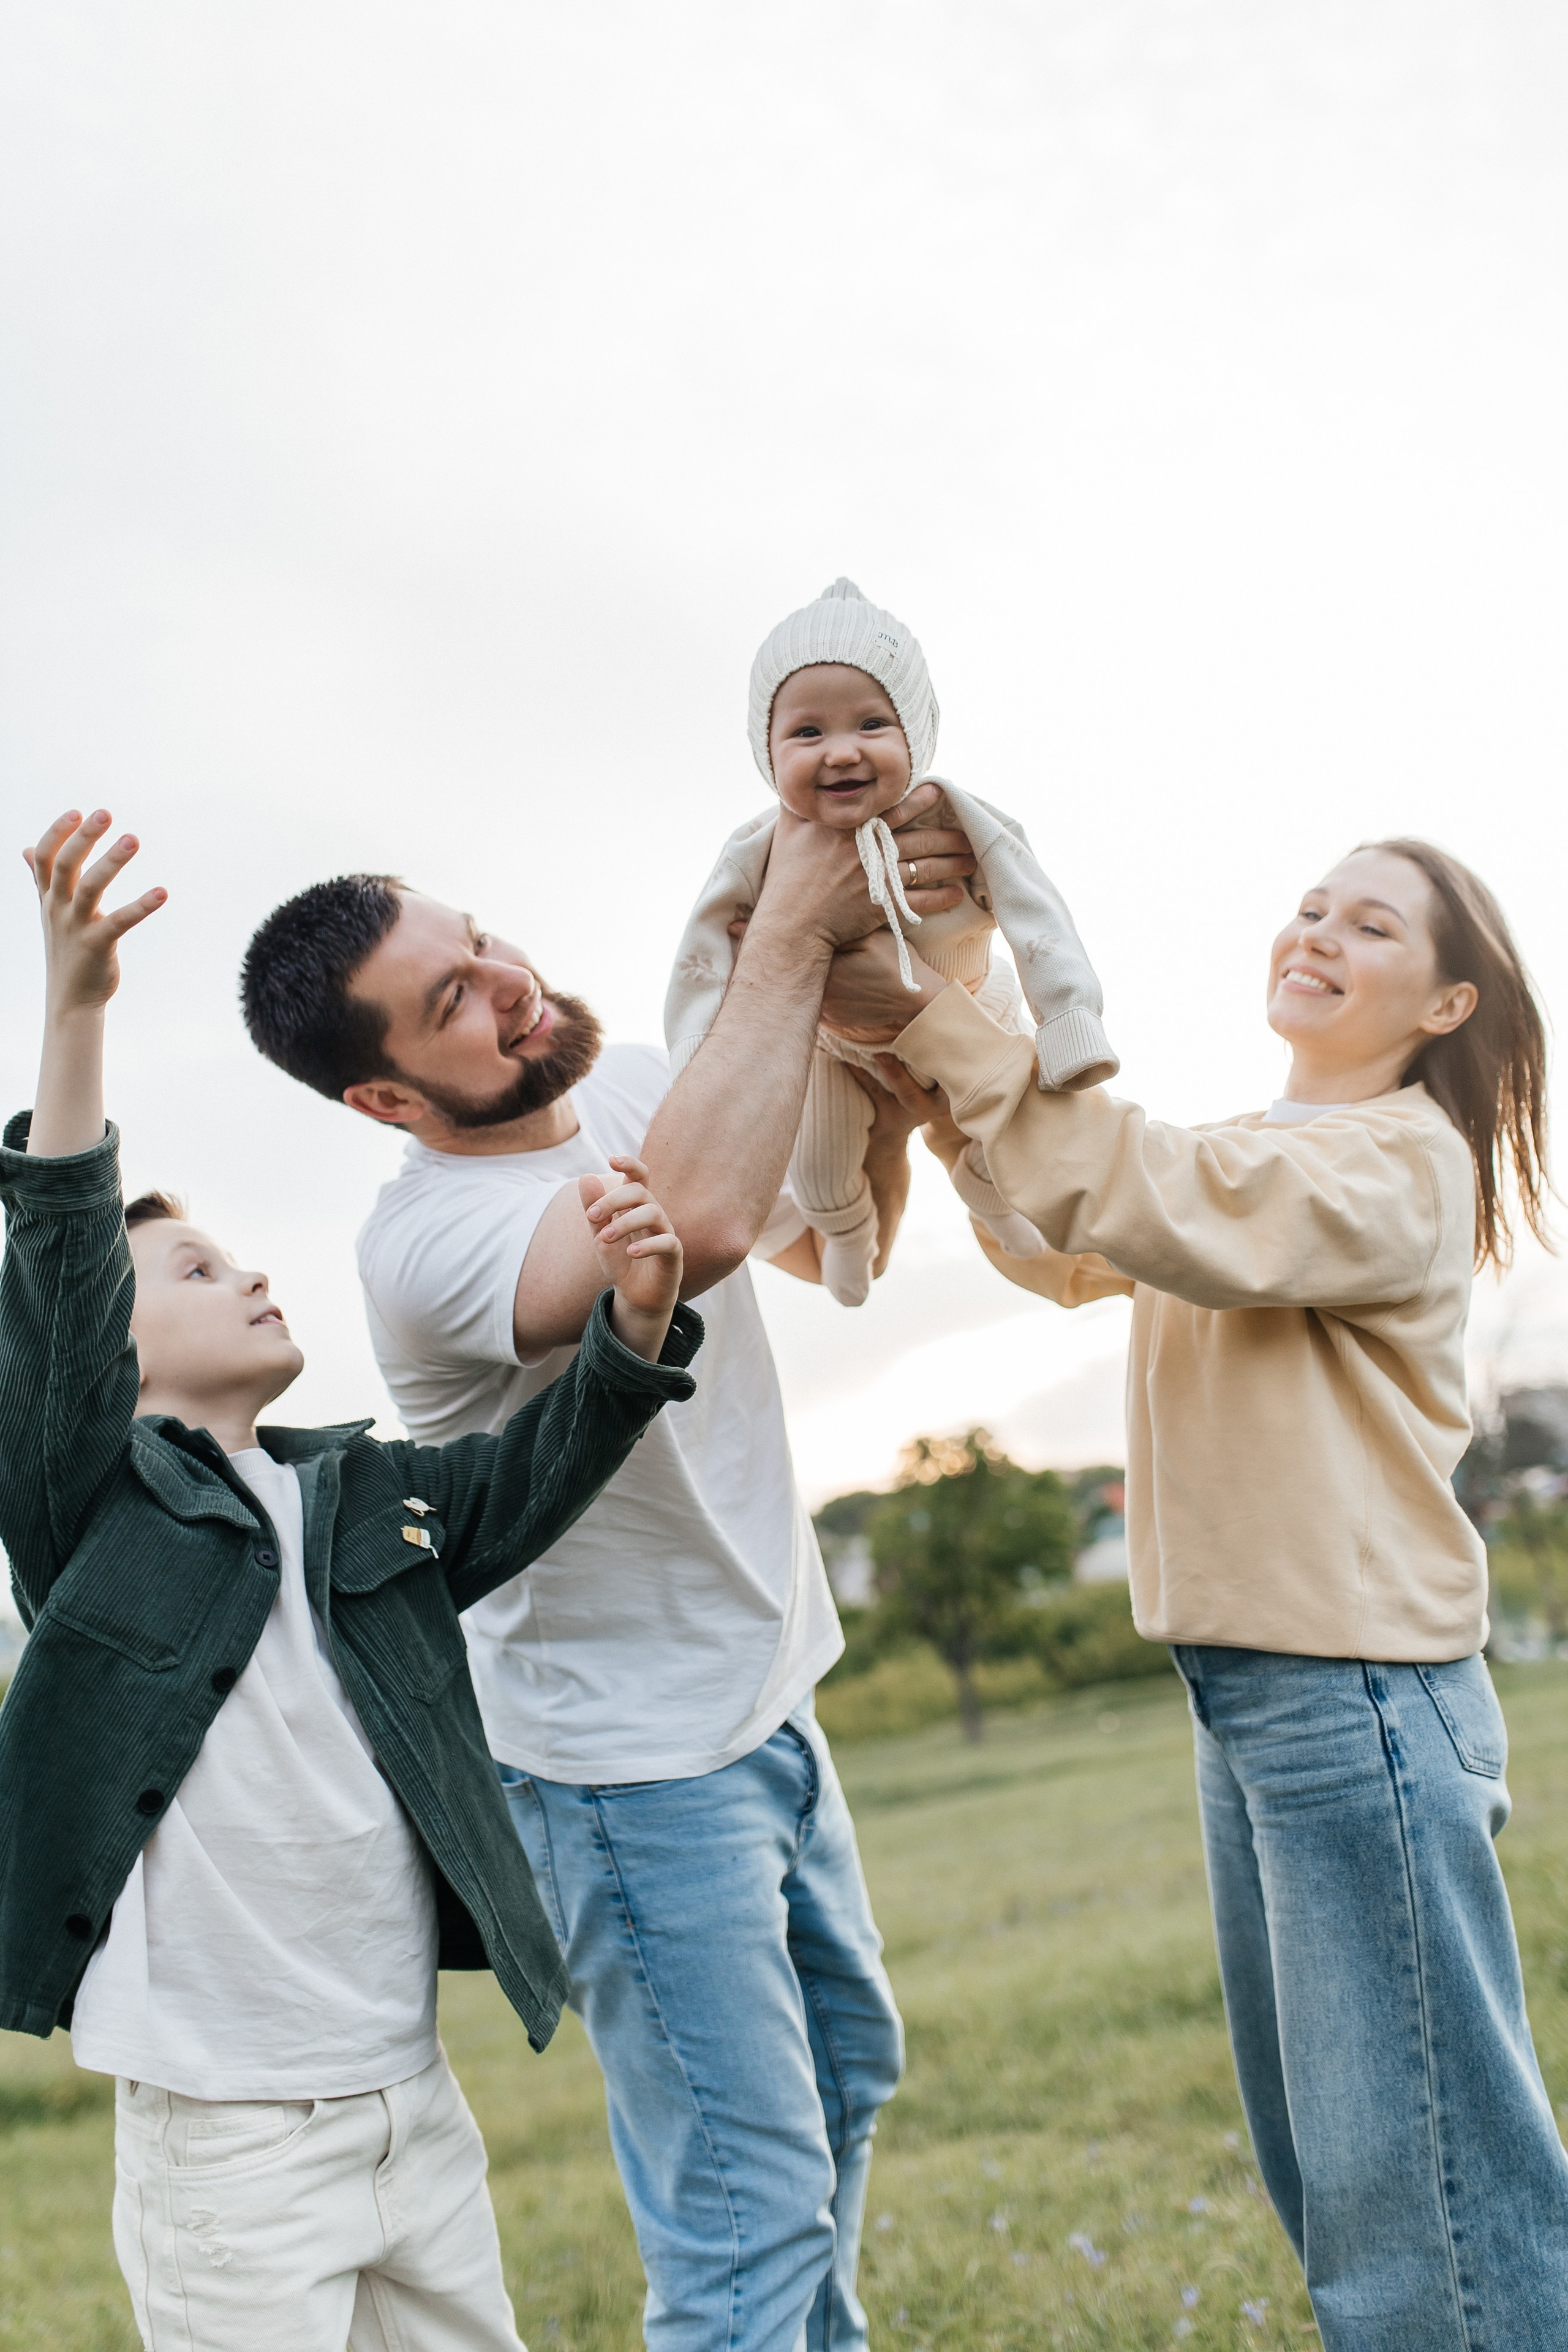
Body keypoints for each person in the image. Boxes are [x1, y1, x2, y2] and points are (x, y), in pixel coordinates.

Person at [238, 792, 975, 2352]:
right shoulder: (428, 1245)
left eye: (480, 941)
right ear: (383, 1094)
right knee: (740, 2209)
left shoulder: (644, 1081)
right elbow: (696, 1225)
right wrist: (784, 919)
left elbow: (827, 1240)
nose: (506, 980)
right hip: (628, 1778)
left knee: (848, 2075)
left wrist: (881, 1108)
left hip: (768, 1695)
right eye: (453, 1000)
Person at [823, 835, 1568, 2350]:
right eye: (1310, 904)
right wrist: (951, 1108)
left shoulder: (1392, 1162)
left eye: (1368, 924)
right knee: (1336, 2171)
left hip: (1351, 1696)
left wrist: (929, 1017)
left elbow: (1133, 1184)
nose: (1314, 932)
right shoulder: (1263, 1152)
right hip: (1256, 1696)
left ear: (1442, 1005)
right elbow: (1072, 1236)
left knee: (1418, 2195)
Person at [1, 808, 703, 2352]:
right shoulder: (92, 1513)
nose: (248, 1270)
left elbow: (526, 1484)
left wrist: (635, 1326)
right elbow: (55, 1258)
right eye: (192, 1272)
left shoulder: (357, 1495)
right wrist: (77, 1007)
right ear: (103, 1368)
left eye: (234, 1252)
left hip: (408, 2102)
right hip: (230, 2143)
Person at [665, 576, 1117, 1302]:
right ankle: (847, 1236)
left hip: (973, 1001)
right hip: (834, 1044)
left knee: (1008, 1129)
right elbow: (705, 949)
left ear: (916, 735)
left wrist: (1067, 1016)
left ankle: (998, 1208)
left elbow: (1034, 907)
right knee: (817, 1164)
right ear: (768, 752)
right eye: (807, 733)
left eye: (871, 725)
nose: (840, 752)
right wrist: (695, 1055)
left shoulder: (953, 818)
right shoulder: (759, 847)